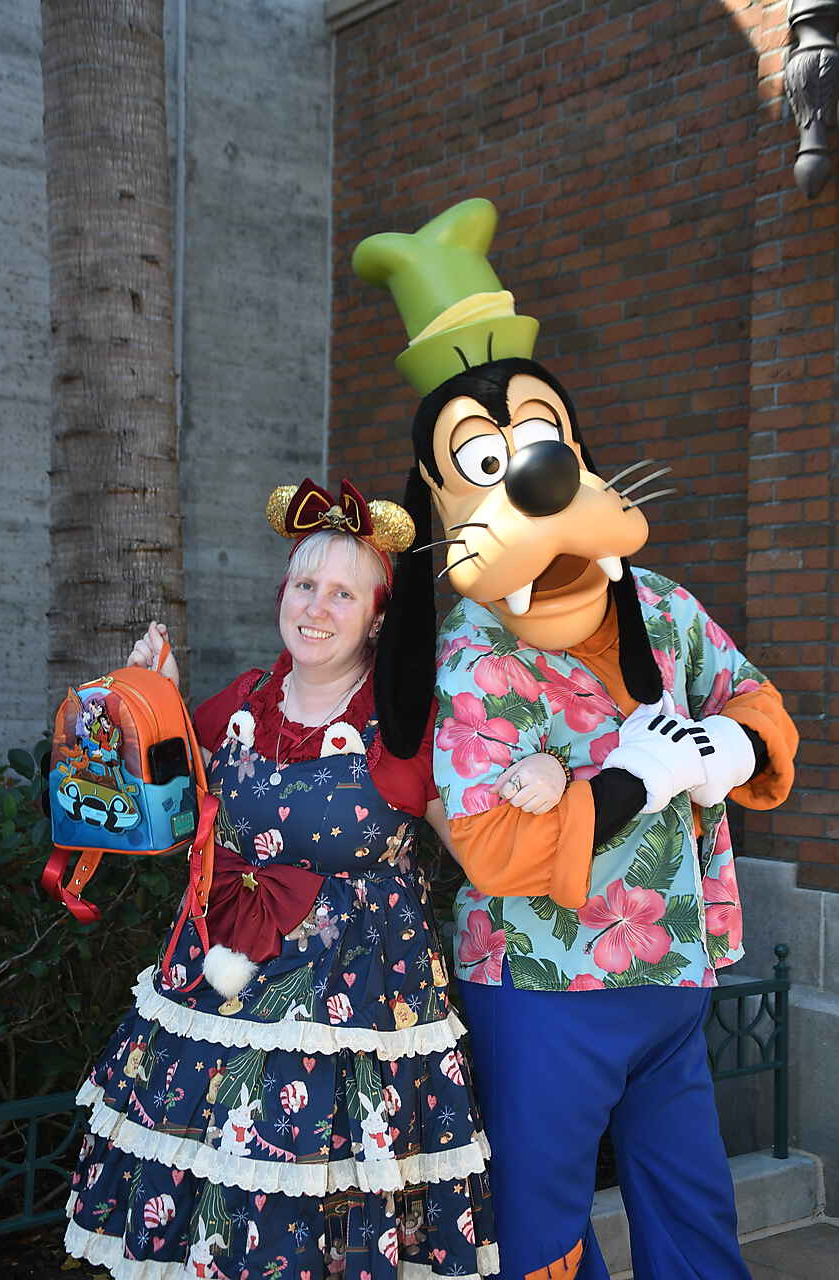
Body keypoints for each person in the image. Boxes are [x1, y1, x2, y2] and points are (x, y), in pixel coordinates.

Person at [353, 199, 799, 1280]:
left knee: (690, 1198)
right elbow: (494, 843)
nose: (537, 476)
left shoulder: (662, 605)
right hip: (545, 990)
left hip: (675, 976)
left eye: (543, 438)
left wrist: (729, 751)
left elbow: (754, 697)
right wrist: (635, 782)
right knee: (541, 1219)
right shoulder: (471, 659)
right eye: (490, 458)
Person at [64, 477, 514, 1280]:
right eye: (306, 584)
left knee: (315, 1219)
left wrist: (541, 776)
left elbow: (490, 854)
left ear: (379, 614)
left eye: (345, 592)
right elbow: (147, 819)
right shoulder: (237, 704)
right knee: (211, 1211)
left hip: (354, 1017)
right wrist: (145, 708)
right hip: (211, 1002)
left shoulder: (405, 730)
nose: (316, 606)